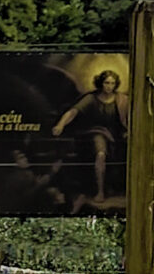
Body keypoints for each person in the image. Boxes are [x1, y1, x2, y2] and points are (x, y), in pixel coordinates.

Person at [52, 69, 129, 210]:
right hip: (95, 133)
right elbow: (73, 112)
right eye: (106, 83)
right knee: (100, 153)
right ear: (101, 83)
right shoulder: (91, 99)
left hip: (116, 137)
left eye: (112, 83)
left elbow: (130, 118)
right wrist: (60, 124)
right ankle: (100, 191)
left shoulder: (122, 100)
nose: (109, 86)